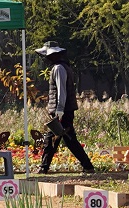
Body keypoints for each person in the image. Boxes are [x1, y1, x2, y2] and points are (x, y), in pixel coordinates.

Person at [36, 42, 95, 174]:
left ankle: (43, 168)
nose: (45, 58)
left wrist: (60, 109)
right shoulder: (62, 67)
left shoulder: (58, 69)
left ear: (53, 55)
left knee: (52, 140)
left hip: (61, 111)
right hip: (63, 110)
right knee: (69, 140)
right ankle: (87, 166)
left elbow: (61, 91)